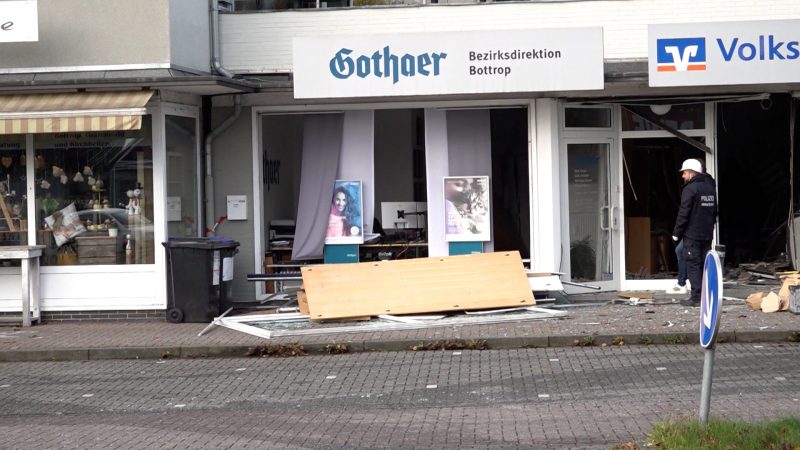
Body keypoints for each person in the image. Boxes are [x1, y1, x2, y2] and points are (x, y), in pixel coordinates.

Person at [672, 158, 717, 306]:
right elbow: (714, 210)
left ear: (691, 173)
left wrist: (676, 232)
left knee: (693, 265)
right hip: (707, 234)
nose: (683, 176)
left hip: (692, 234)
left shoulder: (690, 189)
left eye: (684, 173)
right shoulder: (710, 187)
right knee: (705, 265)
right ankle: (707, 295)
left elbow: (684, 212)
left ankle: (696, 298)